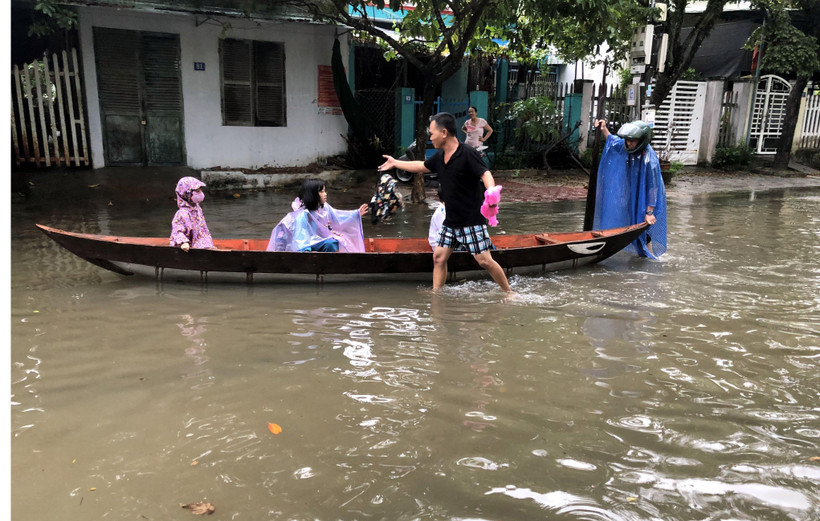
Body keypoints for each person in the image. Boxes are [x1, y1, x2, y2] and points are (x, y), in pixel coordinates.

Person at [379, 112, 512, 292]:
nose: (430, 137)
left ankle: (509, 292)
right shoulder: (440, 156)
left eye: (432, 133)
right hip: (451, 221)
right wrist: (395, 163)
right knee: (439, 258)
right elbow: (421, 166)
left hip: (471, 220)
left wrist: (491, 194)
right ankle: (436, 294)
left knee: (484, 261)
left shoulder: (467, 153)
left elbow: (485, 173)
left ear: (444, 133)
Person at [593, 119, 668, 258]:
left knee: (643, 228)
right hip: (631, 194)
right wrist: (604, 129)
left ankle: (646, 258)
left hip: (645, 199)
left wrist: (649, 211)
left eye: (632, 140)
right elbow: (613, 142)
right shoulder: (627, 147)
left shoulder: (649, 159)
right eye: (627, 140)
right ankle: (637, 256)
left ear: (642, 140)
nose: (628, 143)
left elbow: (653, 188)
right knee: (630, 223)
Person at [267, 178, 368, 252]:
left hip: (319, 240)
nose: (325, 194)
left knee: (338, 240)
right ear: (313, 194)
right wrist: (306, 252)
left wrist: (356, 213)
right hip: (308, 244)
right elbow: (301, 238)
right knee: (329, 244)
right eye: (322, 191)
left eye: (325, 191)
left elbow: (338, 217)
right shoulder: (303, 215)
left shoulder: (324, 208)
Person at [170, 176, 215, 251]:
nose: (201, 193)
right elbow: (177, 230)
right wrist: (184, 242)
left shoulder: (197, 209)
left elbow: (202, 227)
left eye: (200, 190)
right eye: (197, 191)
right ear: (186, 194)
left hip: (200, 241)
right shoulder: (182, 213)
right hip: (187, 245)